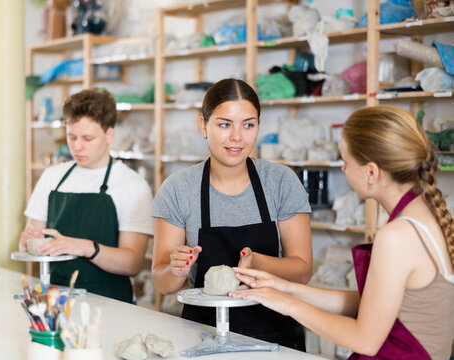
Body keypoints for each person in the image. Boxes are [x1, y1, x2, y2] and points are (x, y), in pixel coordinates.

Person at [230, 106, 454, 359]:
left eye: (346, 162)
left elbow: (365, 341)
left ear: (371, 172)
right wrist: (286, 288)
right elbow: (373, 305)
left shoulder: (398, 235)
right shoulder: (421, 215)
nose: (344, 170)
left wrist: (288, 305)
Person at [151, 78, 313, 350]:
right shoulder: (178, 190)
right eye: (224, 124)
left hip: (274, 338)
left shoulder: (281, 181)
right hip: (203, 336)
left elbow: (303, 269)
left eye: (248, 125)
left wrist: (257, 262)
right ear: (203, 125)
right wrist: (177, 268)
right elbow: (162, 282)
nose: (237, 137)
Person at [20, 89, 153, 303]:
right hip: (56, 303)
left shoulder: (132, 186)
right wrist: (27, 242)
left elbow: (132, 263)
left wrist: (83, 247)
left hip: (113, 305)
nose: (77, 146)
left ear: (110, 135)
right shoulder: (52, 177)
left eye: (87, 138)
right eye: (72, 137)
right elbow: (34, 238)